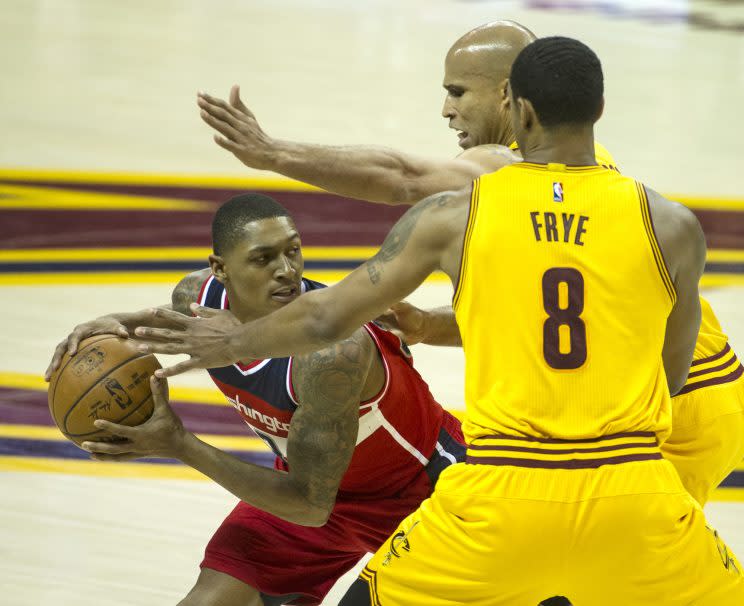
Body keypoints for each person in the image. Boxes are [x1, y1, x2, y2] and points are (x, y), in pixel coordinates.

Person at [130, 37, 743, 603]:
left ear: (514, 102)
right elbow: (653, 358)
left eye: (456, 91)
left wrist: (233, 333)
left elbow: (384, 211)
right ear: (599, 108)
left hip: (560, 464)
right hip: (650, 444)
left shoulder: (477, 198)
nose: (446, 109)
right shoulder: (669, 222)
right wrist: (431, 326)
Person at [45, 193, 465, 606]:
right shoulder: (199, 301)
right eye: (263, 259)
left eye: (293, 251)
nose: (286, 271)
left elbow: (309, 506)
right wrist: (111, 326)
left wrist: (179, 444)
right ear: (221, 270)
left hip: (424, 495)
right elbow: (165, 323)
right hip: (309, 483)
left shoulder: (331, 354)